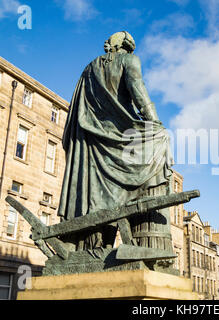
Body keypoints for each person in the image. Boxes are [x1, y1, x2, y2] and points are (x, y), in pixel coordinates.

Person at [58, 31, 173, 252]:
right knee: (162, 139)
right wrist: (155, 122)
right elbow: (138, 91)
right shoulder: (129, 60)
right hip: (120, 135)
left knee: (100, 193)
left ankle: (99, 244)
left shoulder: (89, 68)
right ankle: (137, 238)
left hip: (92, 139)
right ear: (127, 47)